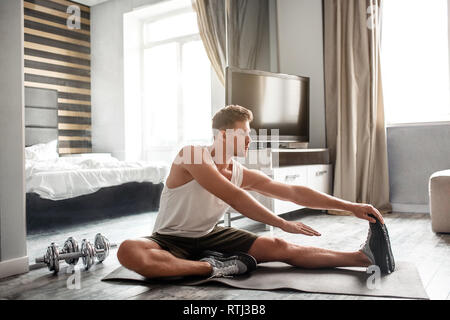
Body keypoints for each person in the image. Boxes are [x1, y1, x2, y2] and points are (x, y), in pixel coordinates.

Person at [117, 105, 395, 279]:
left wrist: (351, 206)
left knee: (279, 247)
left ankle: (362, 258)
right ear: (223, 135)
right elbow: (233, 197)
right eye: (244, 133)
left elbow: (293, 192)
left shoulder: (240, 171)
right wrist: (283, 223)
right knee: (129, 251)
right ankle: (213, 267)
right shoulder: (192, 155)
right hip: (170, 239)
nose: (251, 139)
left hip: (210, 237)